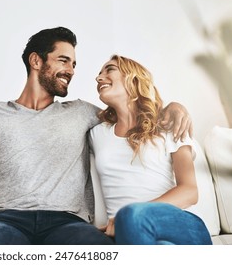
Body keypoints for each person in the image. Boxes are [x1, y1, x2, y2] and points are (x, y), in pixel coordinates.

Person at [0, 27, 192, 245]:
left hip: (68, 224)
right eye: (63, 60)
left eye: (74, 63)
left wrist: (173, 107)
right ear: (36, 61)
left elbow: (131, 113)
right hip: (5, 221)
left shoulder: (83, 112)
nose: (72, 70)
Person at [89, 54, 212, 245]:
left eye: (109, 69)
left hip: (180, 226)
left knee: (131, 216)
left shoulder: (170, 125)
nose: (99, 78)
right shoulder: (97, 133)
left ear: (134, 79)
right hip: (130, 237)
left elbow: (189, 191)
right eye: (99, 74)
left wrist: (127, 217)